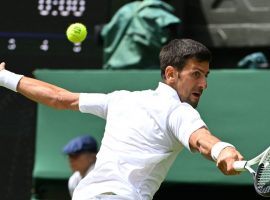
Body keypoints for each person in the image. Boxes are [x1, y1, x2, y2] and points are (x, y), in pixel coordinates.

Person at [0, 38, 244, 200]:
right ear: (171, 73)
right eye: (196, 74)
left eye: (206, 75)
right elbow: (202, 139)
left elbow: (59, 98)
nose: (203, 84)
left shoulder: (120, 99)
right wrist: (223, 150)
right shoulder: (180, 112)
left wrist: (5, 78)